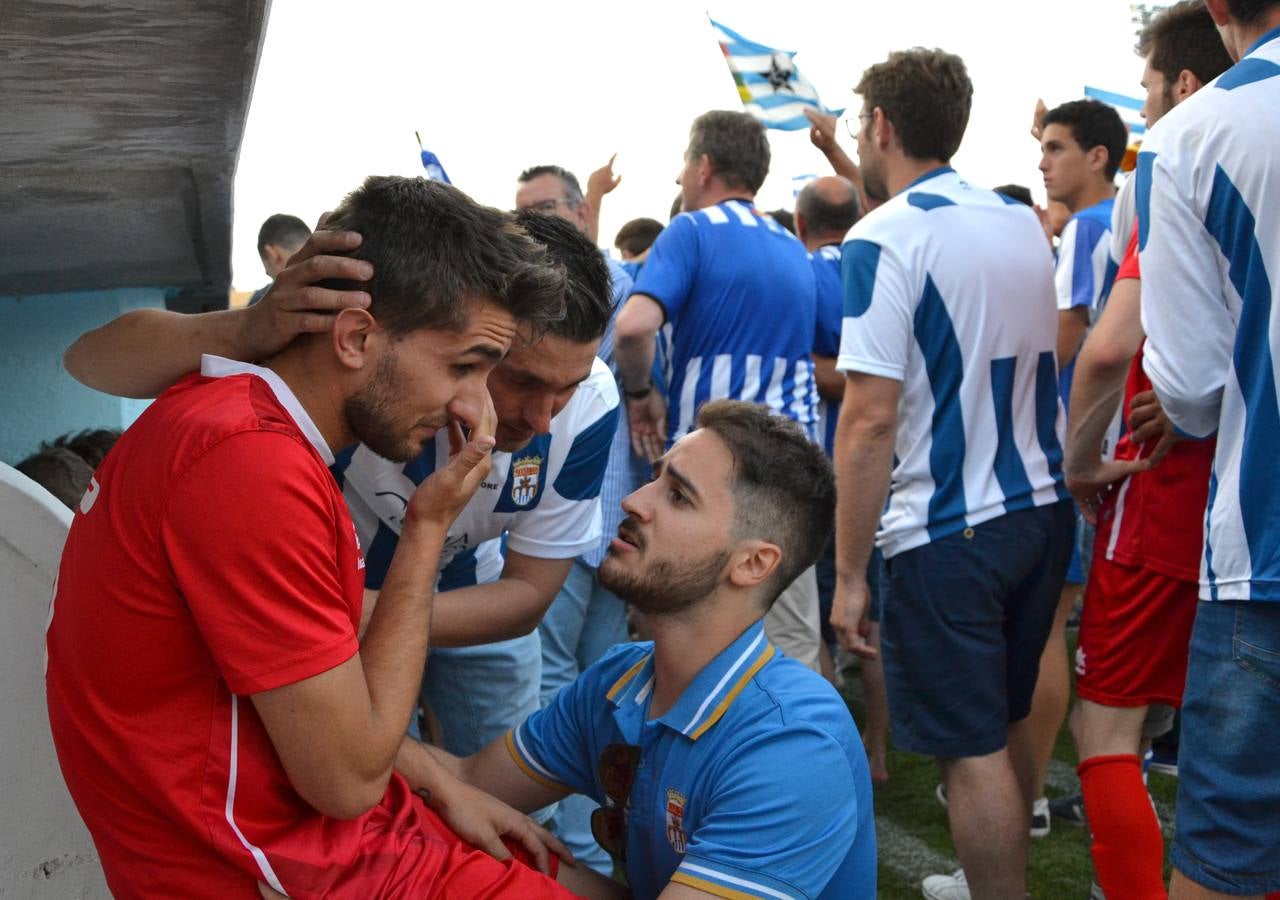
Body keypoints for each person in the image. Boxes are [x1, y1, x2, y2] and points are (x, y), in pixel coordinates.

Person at [46, 176, 607, 898]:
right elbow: (346, 781)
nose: (479, 406)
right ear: (356, 336)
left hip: (320, 835)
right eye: (466, 366)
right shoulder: (253, 463)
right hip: (291, 863)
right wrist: (426, 531)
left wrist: (436, 774)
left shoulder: (233, 420)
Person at [410, 400, 877, 899]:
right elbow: (468, 782)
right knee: (481, 845)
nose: (634, 500)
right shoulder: (622, 682)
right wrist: (332, 714)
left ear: (753, 563)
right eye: (655, 479)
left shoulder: (791, 745)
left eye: (677, 496)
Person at [830, 48, 1072, 899]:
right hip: (1039, 508)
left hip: (949, 526)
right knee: (1002, 726)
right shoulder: (1016, 218)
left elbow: (868, 418)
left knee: (969, 753)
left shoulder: (885, 232)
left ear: (883, 126)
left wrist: (850, 572)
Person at [1060, 5, 1233, 895]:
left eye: (1149, 88)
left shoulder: (1180, 162)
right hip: (1249, 502)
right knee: (1230, 731)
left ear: (1187, 88)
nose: (1143, 109)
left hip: (1171, 494)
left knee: (1110, 732)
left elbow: (1102, 348)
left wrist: (1081, 458)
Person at [1135, 0, 1280, 895]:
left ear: (1221, 9)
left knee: (1224, 858)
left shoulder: (1194, 132)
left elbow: (1186, 390)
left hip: (1264, 548)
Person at [614, 109, 824, 674]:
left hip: (715, 468)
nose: (681, 178)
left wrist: (641, 395)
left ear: (704, 166)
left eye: (685, 163)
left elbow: (633, 327)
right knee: (789, 635)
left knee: (695, 625)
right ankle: (798, 753)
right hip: (796, 466)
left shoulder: (691, 229)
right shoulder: (792, 246)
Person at [517, 162, 643, 874]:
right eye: (520, 212)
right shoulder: (560, 295)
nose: (528, 225)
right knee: (568, 680)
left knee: (588, 681)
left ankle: (581, 847)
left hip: (602, 517)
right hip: (563, 520)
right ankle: (573, 849)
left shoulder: (612, 291)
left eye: (542, 209)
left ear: (577, 213)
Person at [1025, 96, 1127, 835]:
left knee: (1053, 621)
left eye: (1056, 148)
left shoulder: (1091, 227)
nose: (1042, 161)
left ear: (1097, 157)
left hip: (1083, 447)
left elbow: (1066, 339)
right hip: (1127, 448)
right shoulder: (1122, 214)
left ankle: (1027, 794)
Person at [794, 174, 891, 779]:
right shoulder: (876, 261)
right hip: (879, 469)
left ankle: (836, 756)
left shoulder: (809, 273)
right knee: (866, 619)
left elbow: (849, 377)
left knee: (822, 623)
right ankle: (876, 751)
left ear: (801, 226)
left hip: (827, 467)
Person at [249, 213, 312, 304]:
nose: (266, 273)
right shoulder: (335, 277)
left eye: (266, 268)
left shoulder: (262, 302)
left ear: (272, 255)